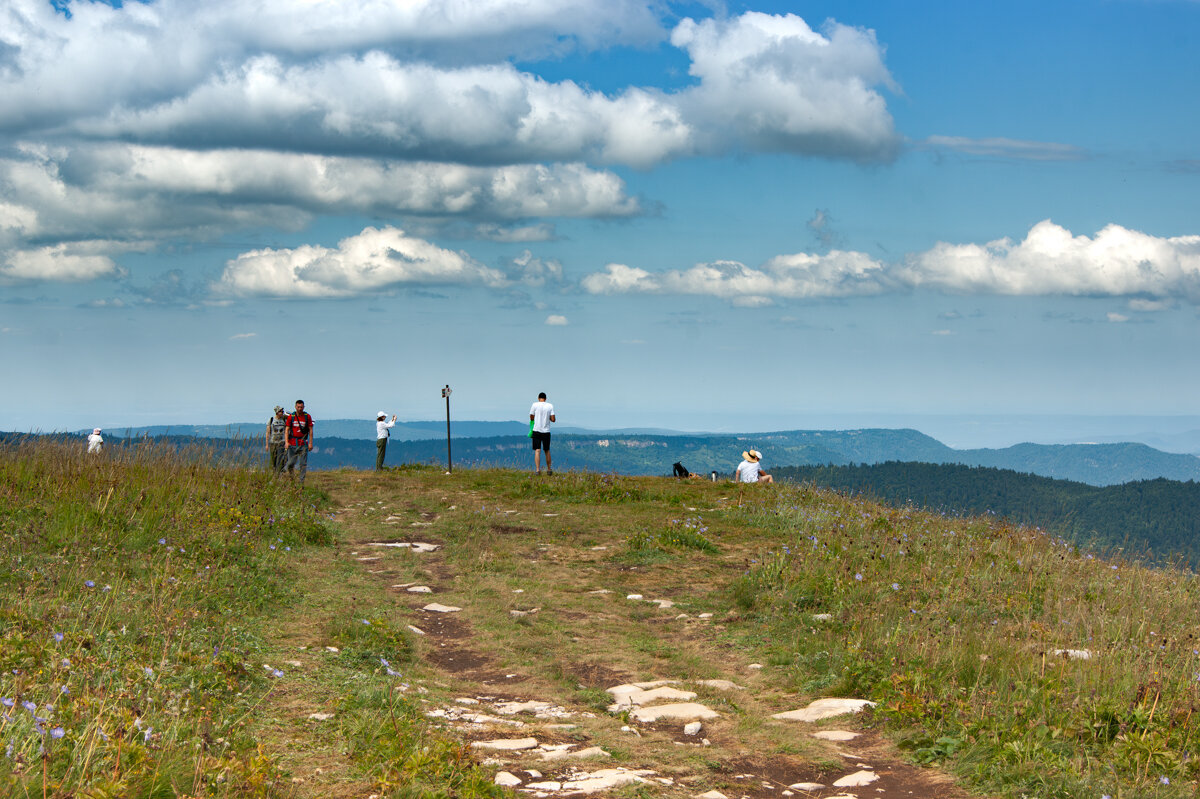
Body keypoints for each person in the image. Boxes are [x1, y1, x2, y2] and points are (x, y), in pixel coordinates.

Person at [285, 399, 314, 483]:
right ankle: (292, 479)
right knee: (290, 464)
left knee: (303, 464)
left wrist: (310, 443)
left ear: (304, 407)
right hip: (292, 443)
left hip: (303, 443)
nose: (300, 409)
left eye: (301, 407)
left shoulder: (307, 416)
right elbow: (287, 429)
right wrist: (286, 442)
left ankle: (301, 482)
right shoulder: (291, 417)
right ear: (295, 407)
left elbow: (310, 430)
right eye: (298, 407)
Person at [529, 391, 556, 475]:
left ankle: (537, 470)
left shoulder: (534, 405)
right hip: (546, 431)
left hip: (536, 430)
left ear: (538, 398)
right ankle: (549, 469)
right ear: (545, 399)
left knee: (537, 450)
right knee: (547, 450)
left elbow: (531, 416)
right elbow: (553, 419)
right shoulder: (550, 406)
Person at [265, 405, 287, 473]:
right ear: (277, 412)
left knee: (279, 459)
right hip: (273, 442)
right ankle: (275, 472)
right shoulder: (271, 420)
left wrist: (286, 442)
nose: (282, 412)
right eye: (280, 411)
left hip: (281, 442)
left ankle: (278, 473)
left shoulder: (284, 420)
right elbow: (268, 432)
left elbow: (286, 431)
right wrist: (267, 444)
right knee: (273, 460)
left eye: (282, 411)